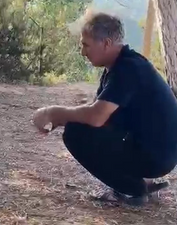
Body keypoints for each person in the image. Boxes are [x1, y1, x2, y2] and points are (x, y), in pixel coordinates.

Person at [32, 11, 177, 206]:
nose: (83, 52)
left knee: (75, 134)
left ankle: (133, 190)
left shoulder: (128, 69)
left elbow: (96, 117)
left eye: (86, 45)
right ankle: (139, 184)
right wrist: (62, 118)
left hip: (157, 155)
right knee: (81, 128)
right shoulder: (119, 67)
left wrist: (54, 112)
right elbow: (97, 115)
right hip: (155, 151)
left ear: (106, 43)